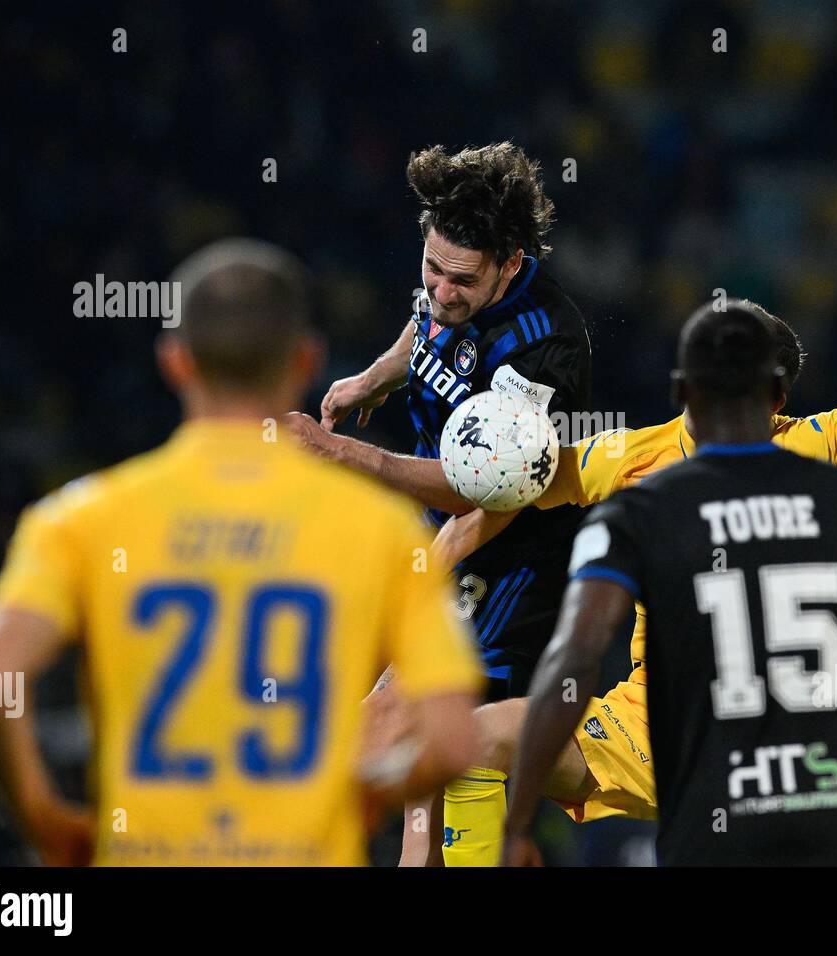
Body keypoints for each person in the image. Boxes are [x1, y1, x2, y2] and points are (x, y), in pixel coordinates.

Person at [414, 223, 837, 860]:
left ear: (684, 386)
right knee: (475, 743)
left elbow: (505, 492)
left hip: (684, 741)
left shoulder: (639, 479)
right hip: (788, 764)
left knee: (473, 744)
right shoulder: (827, 470)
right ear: (779, 391)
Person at [0, 238, 482, 866]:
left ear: (175, 362)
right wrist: (370, 794)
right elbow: (453, 740)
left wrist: (43, 819)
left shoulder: (83, 518)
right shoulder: (383, 530)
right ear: (306, 363)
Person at [287, 142, 593, 866]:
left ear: (511, 264)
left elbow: (487, 495)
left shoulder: (545, 348)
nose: (442, 290)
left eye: (462, 280)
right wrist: (373, 378)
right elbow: (425, 325)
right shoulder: (449, 277)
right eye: (432, 268)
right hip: (444, 537)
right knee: (429, 779)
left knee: (382, 732)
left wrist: (341, 453)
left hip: (507, 563)